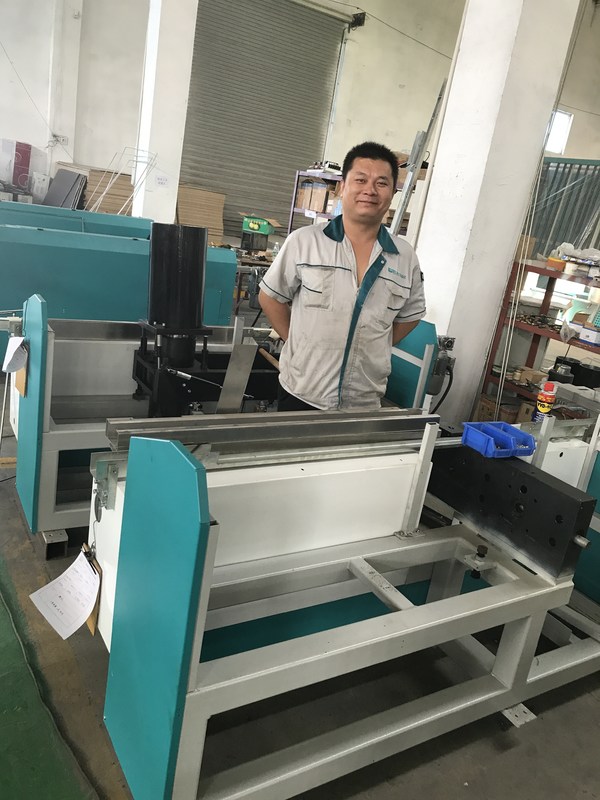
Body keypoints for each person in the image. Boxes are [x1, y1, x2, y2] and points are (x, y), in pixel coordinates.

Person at [259, 141, 426, 412]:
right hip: (303, 392)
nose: (370, 190)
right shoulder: (304, 242)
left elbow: (411, 315)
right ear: (342, 187)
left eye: (381, 183)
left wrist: (372, 345)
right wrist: (298, 343)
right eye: (360, 180)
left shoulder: (404, 256)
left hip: (364, 399)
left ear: (392, 193)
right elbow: (270, 297)